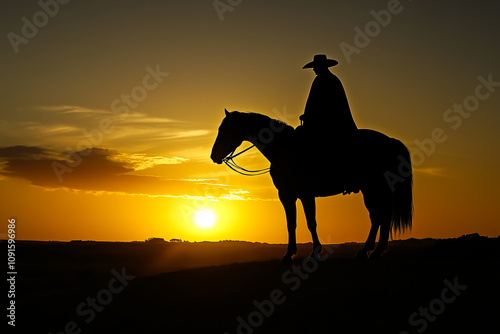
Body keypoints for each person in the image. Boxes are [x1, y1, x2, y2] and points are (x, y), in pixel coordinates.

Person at [298, 54, 359, 194]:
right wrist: (308, 115)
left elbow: (326, 106)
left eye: (315, 67)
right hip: (326, 122)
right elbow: (315, 104)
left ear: (321, 67)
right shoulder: (328, 80)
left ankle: (316, 177)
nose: (314, 70)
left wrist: (309, 117)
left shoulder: (325, 80)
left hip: (332, 124)